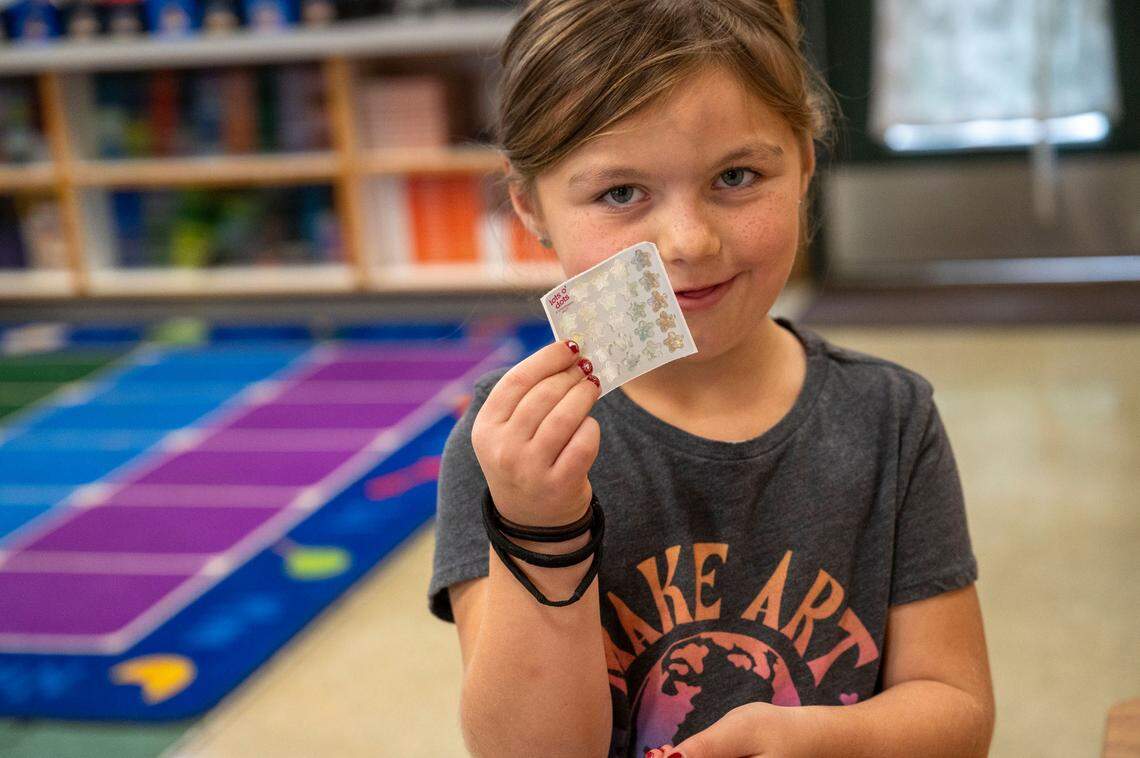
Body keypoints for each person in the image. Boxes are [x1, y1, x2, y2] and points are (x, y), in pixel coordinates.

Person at [428, 2, 996, 757]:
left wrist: (818, 742)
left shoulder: (891, 418)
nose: (689, 242)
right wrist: (540, 525)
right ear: (531, 205)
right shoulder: (508, 453)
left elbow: (957, 716)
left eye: (736, 175)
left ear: (804, 164)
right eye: (621, 194)